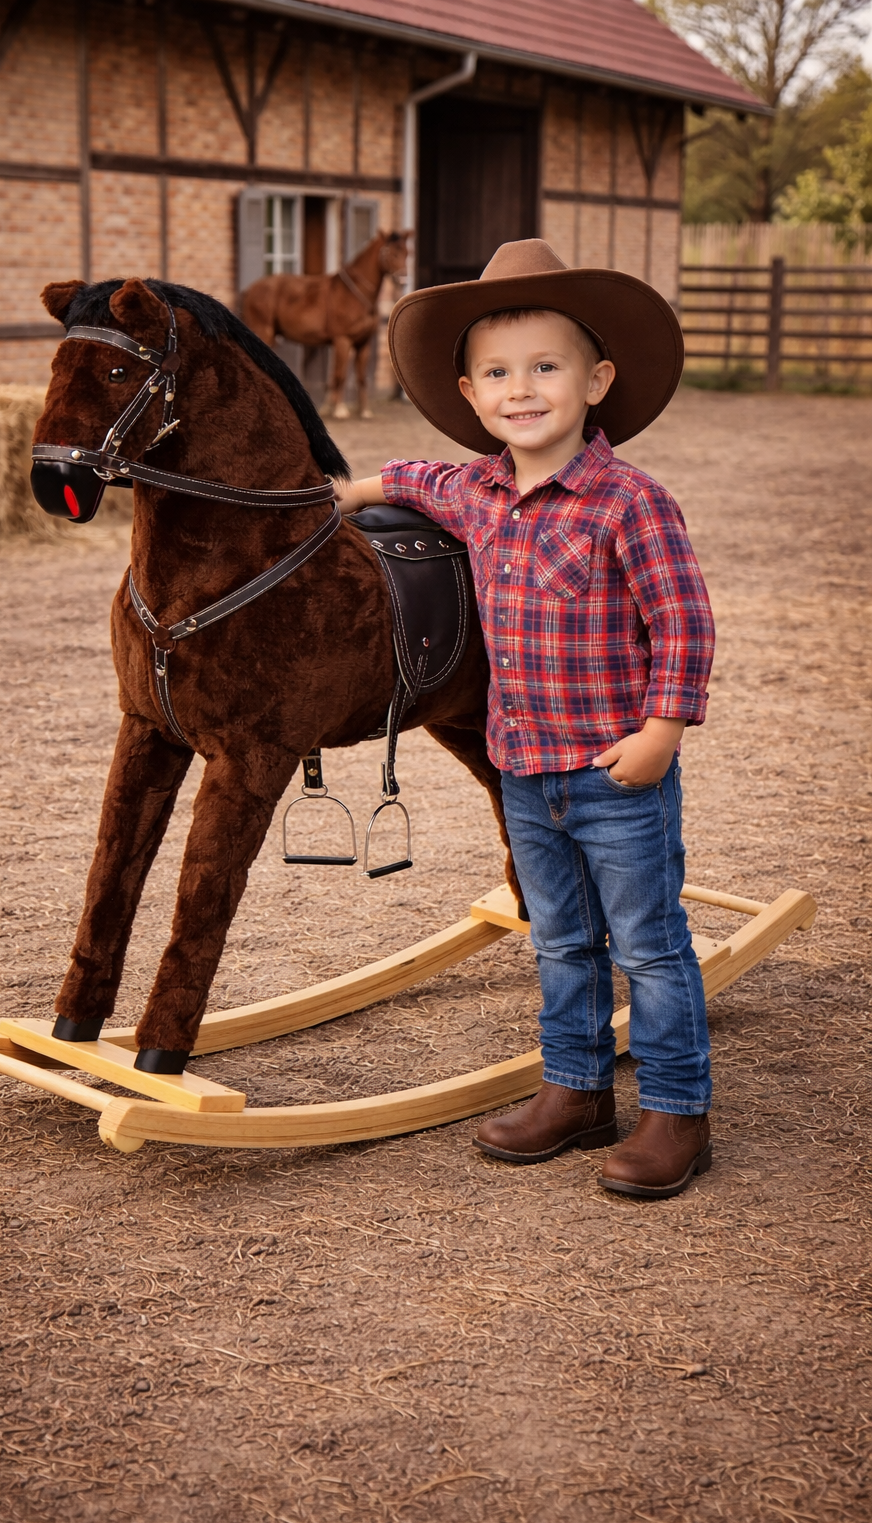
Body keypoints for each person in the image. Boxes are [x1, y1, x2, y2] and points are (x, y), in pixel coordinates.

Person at [334, 239, 716, 1199]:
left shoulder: (630, 503)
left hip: (616, 771)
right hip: (524, 768)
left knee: (648, 943)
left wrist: (662, 730)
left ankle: (677, 1111)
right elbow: (414, 479)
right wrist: (346, 494)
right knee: (556, 938)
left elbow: (683, 620)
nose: (522, 389)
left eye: (545, 367)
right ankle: (576, 1091)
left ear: (597, 379)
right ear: (470, 393)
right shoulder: (477, 492)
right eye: (498, 373)